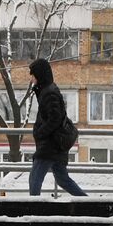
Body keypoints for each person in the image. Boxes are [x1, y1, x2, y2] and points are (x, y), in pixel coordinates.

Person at [28, 58, 86, 197]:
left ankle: (33, 207)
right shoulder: (47, 90)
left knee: (34, 179)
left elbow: (55, 118)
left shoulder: (49, 93)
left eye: (33, 75)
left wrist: (40, 133)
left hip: (50, 146)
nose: (31, 79)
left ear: (40, 75)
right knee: (62, 180)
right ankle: (89, 203)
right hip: (56, 145)